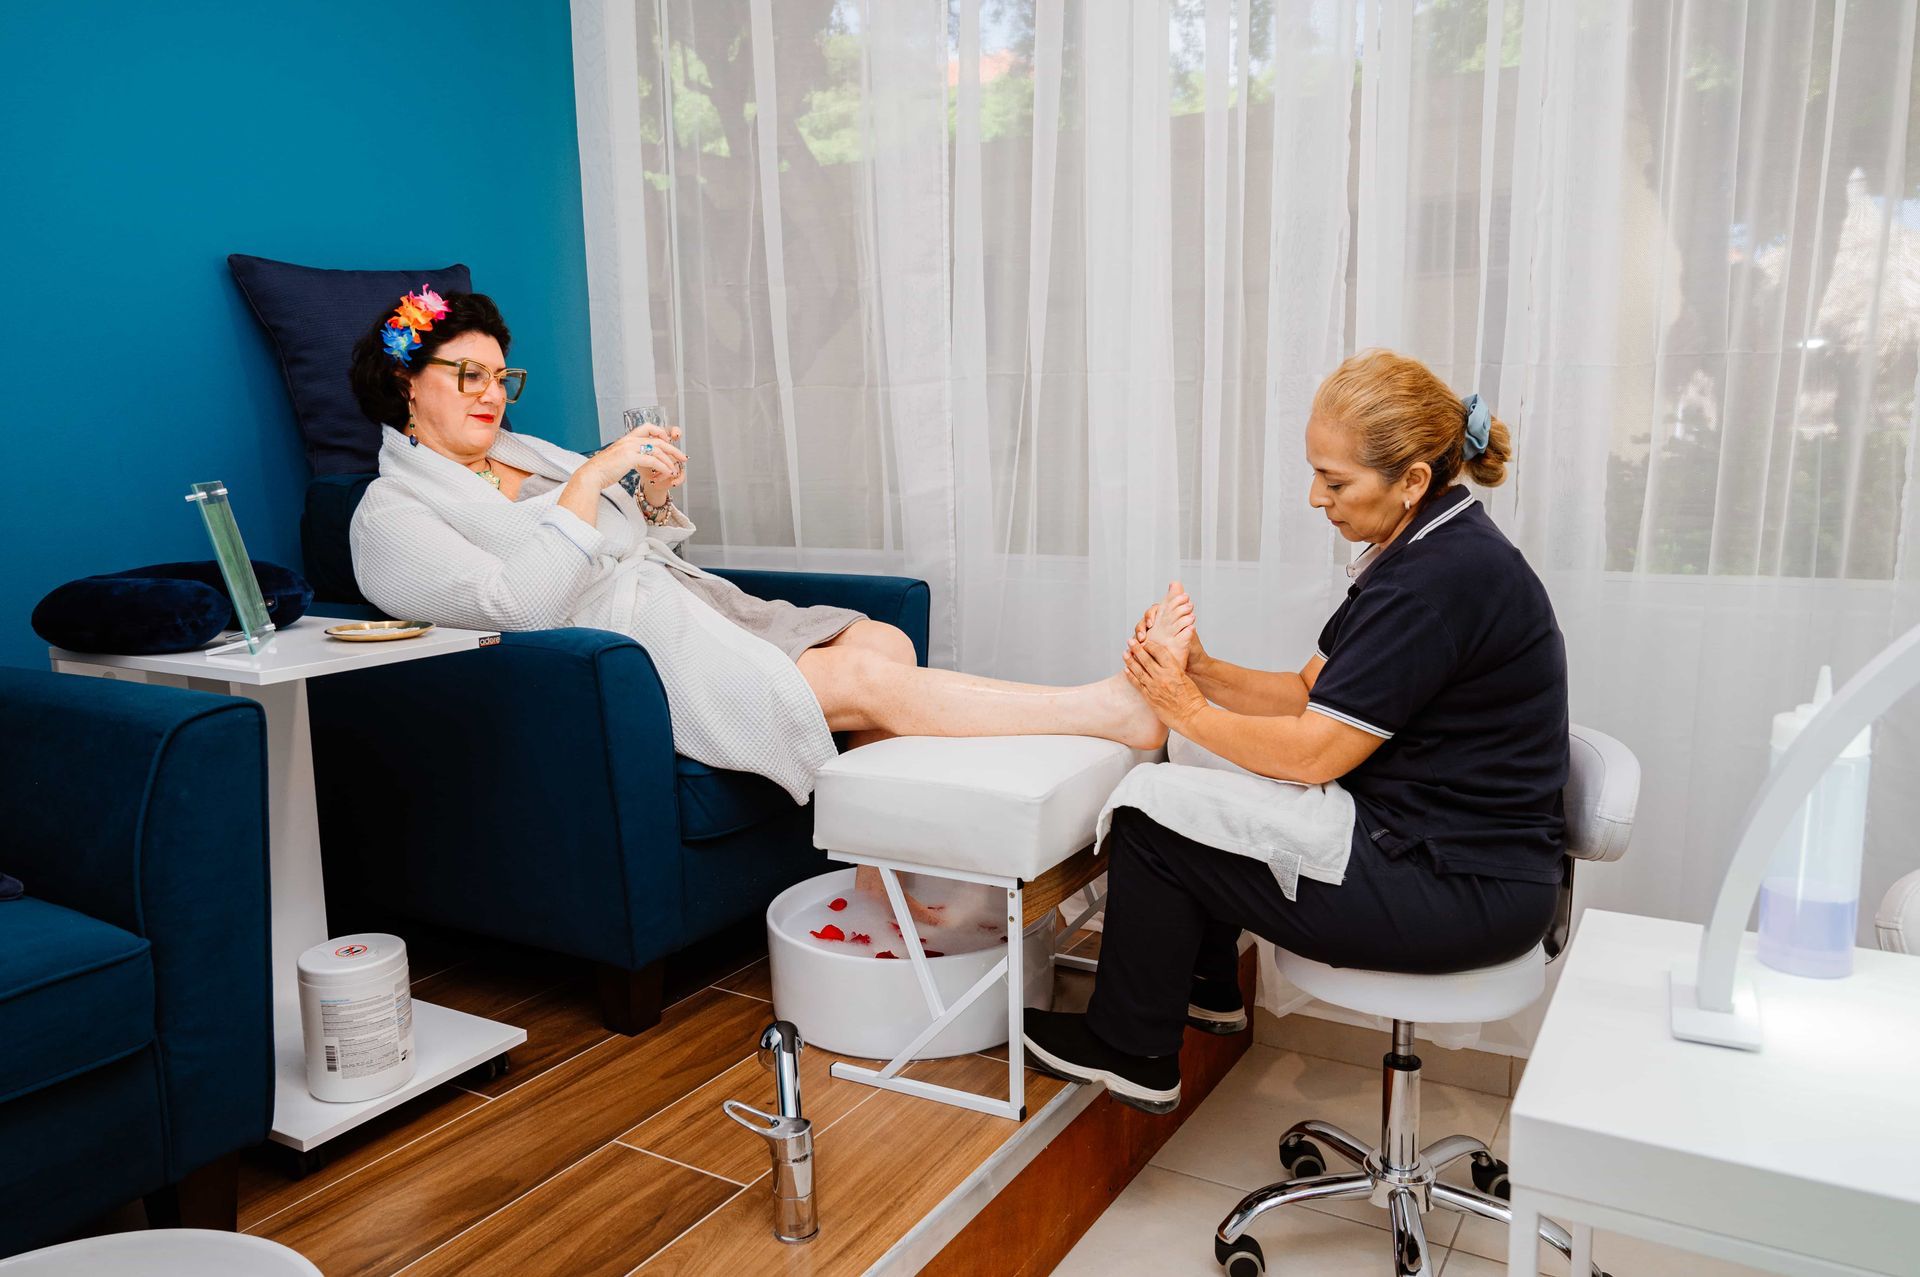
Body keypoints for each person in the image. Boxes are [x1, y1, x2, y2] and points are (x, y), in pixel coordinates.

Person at [346, 289, 1193, 911]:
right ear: (406, 383)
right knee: (868, 685)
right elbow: (521, 605)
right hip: (634, 652)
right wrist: (601, 469)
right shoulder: (392, 517)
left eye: (501, 375)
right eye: (467, 375)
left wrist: (642, 492)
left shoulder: (520, 451)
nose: (492, 394)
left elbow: (629, 537)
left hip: (690, 599)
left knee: (885, 644)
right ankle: (1105, 708)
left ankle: (875, 878)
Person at [1021, 349, 1570, 1114]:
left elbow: (1314, 754)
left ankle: (1130, 1048)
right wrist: (1203, 672)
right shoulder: (1419, 548)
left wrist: (1179, 701)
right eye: (1316, 473)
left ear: (1411, 479)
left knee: (1149, 813)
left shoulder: (1437, 580)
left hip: (1458, 888)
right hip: (1438, 850)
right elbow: (1309, 692)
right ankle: (1206, 985)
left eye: (1335, 481)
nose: (1317, 498)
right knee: (1191, 753)